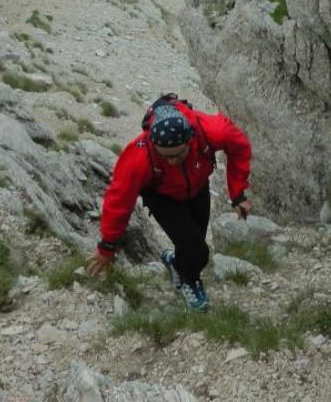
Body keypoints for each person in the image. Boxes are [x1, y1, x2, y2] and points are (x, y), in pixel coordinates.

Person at [86, 94, 252, 311]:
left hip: (198, 185)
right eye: (166, 156)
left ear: (190, 138)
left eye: (179, 154)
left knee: (193, 242)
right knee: (198, 252)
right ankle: (189, 281)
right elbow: (119, 199)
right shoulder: (139, 156)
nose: (173, 161)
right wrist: (107, 246)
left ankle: (175, 262)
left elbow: (239, 147)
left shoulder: (210, 131)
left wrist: (237, 193)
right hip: (162, 197)